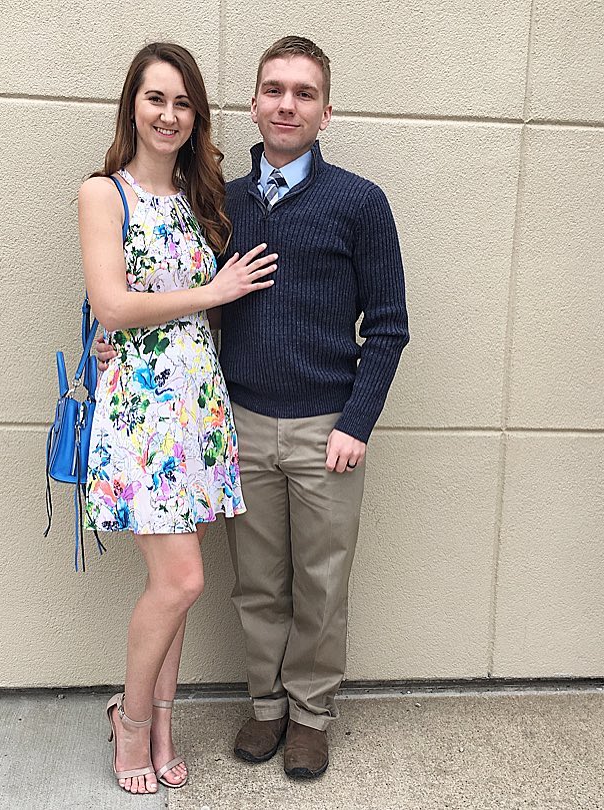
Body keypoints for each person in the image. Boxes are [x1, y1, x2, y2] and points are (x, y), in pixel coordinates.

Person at [97, 36, 408, 780]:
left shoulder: (360, 203)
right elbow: (166, 288)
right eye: (274, 90)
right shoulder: (220, 201)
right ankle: (265, 707)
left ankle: (310, 716)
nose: (287, 104)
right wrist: (116, 345)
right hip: (235, 426)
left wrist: (356, 424)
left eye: (303, 93)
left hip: (325, 429)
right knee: (257, 583)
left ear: (325, 112)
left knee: (322, 584)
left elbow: (389, 325)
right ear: (253, 105)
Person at [79, 42, 277, 795]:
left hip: (197, 409)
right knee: (182, 580)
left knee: (179, 584)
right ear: (133, 103)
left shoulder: (202, 197)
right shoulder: (106, 194)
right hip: (142, 413)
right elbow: (114, 306)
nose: (168, 114)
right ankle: (128, 721)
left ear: (196, 117)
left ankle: (162, 720)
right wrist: (212, 294)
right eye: (156, 98)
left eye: (182, 103)